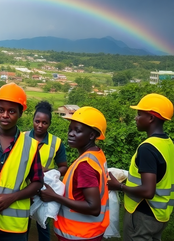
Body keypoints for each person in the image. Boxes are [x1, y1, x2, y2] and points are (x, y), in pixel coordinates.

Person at [0, 83, 43, 241]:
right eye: (1, 110)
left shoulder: (30, 146)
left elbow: (38, 182)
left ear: (20, 113)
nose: (5, 115)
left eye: (11, 111)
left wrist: (13, 197)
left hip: (13, 228)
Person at [108, 93, 174, 241]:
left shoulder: (148, 148)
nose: (135, 118)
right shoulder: (169, 143)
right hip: (160, 215)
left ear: (151, 118)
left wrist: (119, 187)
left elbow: (148, 190)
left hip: (143, 214)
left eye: (139, 114)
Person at [40, 106, 109, 241]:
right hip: (89, 232)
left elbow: (93, 207)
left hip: (79, 234)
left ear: (91, 135)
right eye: (70, 129)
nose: (71, 134)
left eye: (77, 131)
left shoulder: (85, 165)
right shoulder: (96, 154)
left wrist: (54, 196)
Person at [29, 101, 68, 241]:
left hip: (44, 191)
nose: (40, 125)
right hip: (24, 189)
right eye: (37, 121)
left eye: (44, 123)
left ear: (49, 124)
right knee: (22, 225)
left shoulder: (56, 142)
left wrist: (49, 170)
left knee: (43, 226)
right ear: (33, 120)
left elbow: (63, 167)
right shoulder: (23, 138)